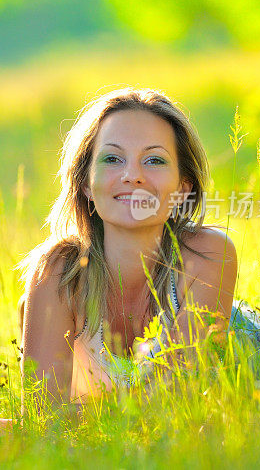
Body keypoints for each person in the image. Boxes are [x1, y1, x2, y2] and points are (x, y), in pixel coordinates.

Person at [19, 87, 238, 404]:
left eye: (154, 160)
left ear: (183, 187)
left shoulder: (207, 254)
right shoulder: (56, 272)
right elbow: (43, 421)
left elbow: (176, 408)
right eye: (112, 158)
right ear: (85, 185)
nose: (133, 175)